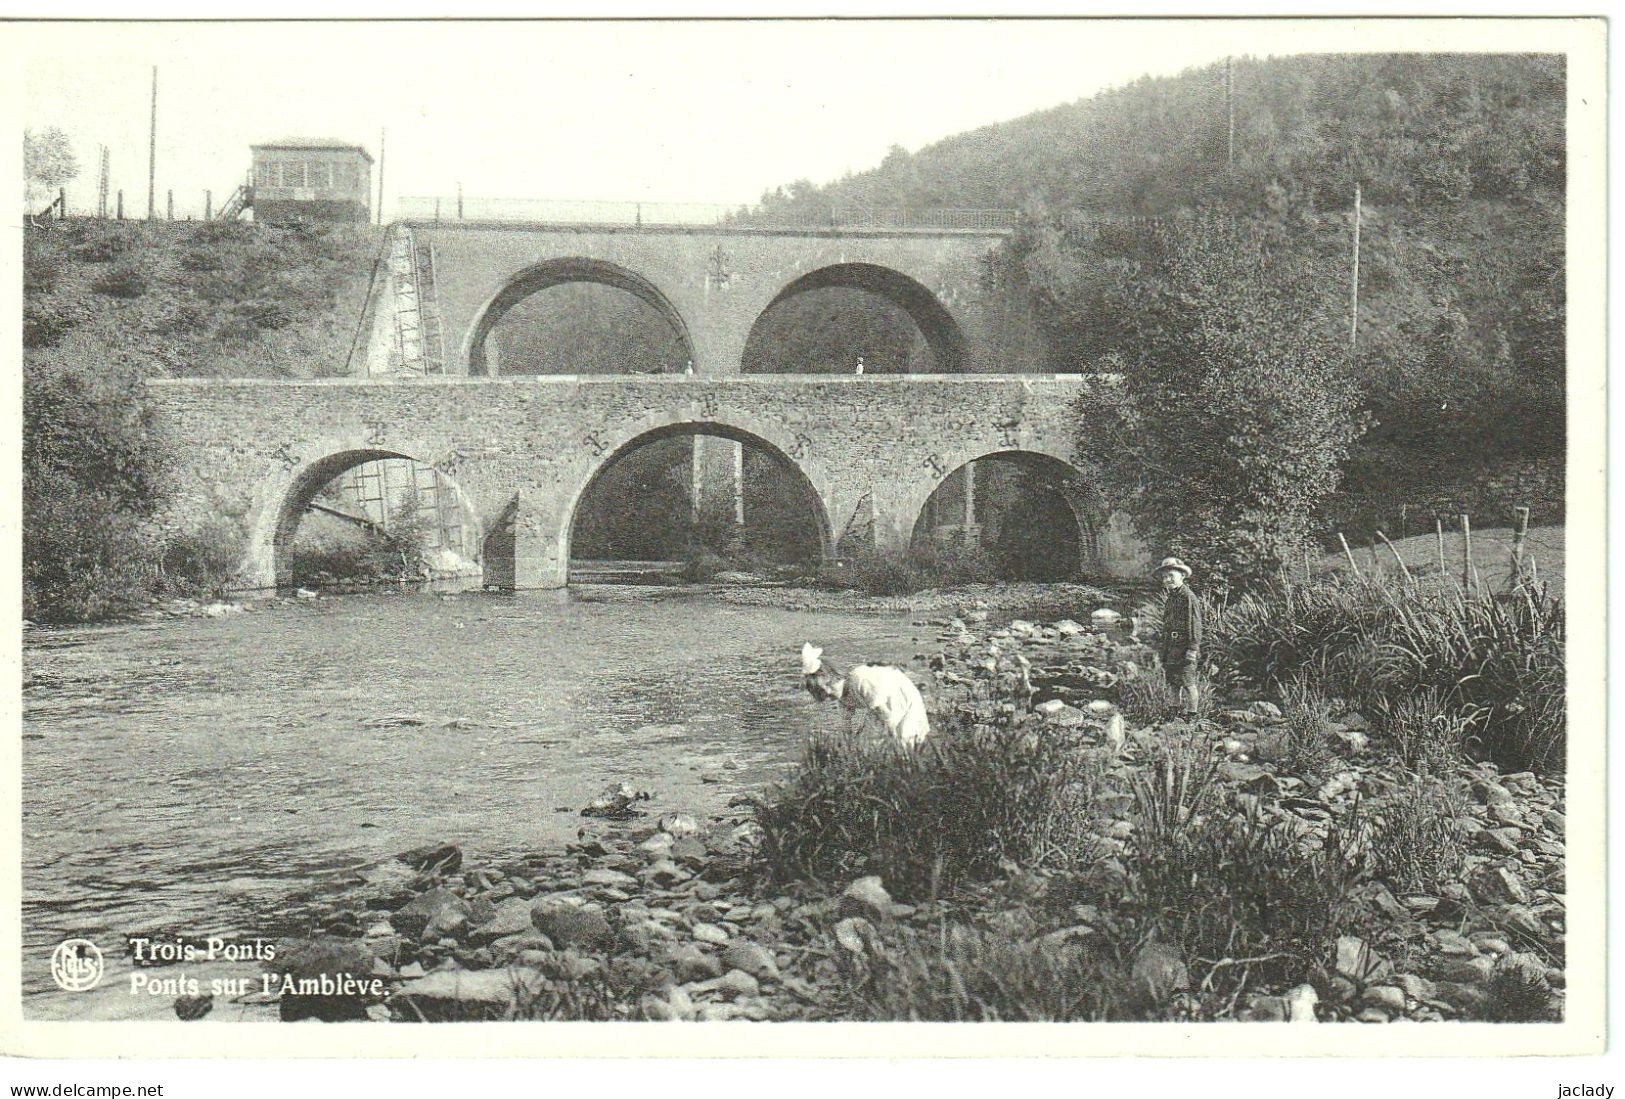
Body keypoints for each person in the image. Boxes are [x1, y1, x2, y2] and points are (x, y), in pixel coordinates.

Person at [1156, 556, 1202, 716]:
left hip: (1184, 647)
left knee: (1188, 683)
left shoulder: (1188, 597)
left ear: (1182, 576)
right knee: (1173, 683)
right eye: (1164, 577)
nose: (1168, 580)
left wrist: (1193, 648)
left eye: (1171, 576)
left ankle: (1192, 716)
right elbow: (1167, 625)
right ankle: (1173, 714)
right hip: (1172, 647)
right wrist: (1163, 649)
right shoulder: (1171, 597)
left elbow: (1195, 625)